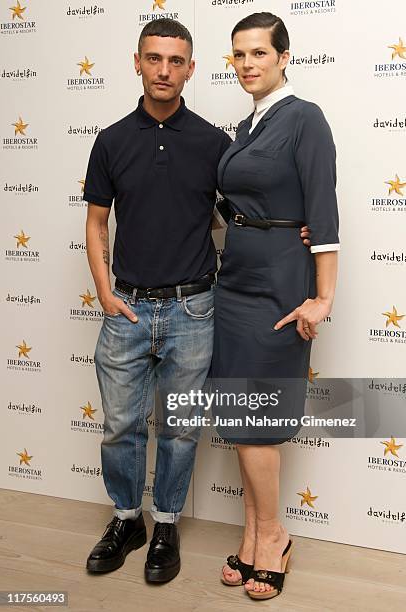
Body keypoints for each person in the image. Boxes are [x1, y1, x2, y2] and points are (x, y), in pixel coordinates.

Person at [83, 18, 232, 583]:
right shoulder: (112, 140)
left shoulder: (215, 143)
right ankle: (127, 519)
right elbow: (96, 224)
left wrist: (294, 232)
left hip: (194, 309)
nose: (164, 70)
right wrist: (103, 291)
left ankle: (165, 522)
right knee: (121, 425)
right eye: (154, 59)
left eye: (176, 61)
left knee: (179, 426)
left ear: (191, 68)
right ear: (138, 62)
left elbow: (238, 215)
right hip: (127, 308)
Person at [212, 12, 339, 600]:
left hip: (280, 282)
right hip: (234, 280)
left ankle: (274, 538)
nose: (247, 64)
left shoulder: (304, 119)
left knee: (258, 421)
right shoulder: (245, 125)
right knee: (240, 417)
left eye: (259, 53)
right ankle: (252, 533)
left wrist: (322, 295)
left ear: (284, 57)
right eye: (238, 54)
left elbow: (324, 210)